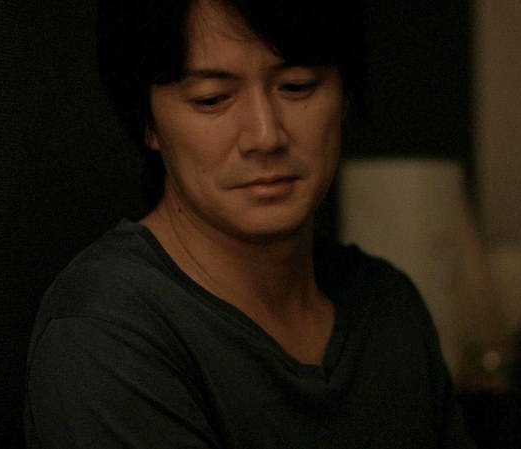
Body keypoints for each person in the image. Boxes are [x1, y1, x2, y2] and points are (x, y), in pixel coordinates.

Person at [25, 0, 476, 447]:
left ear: (342, 97)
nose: (265, 135)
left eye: (297, 86)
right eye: (212, 99)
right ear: (150, 124)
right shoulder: (105, 333)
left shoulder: (388, 306)